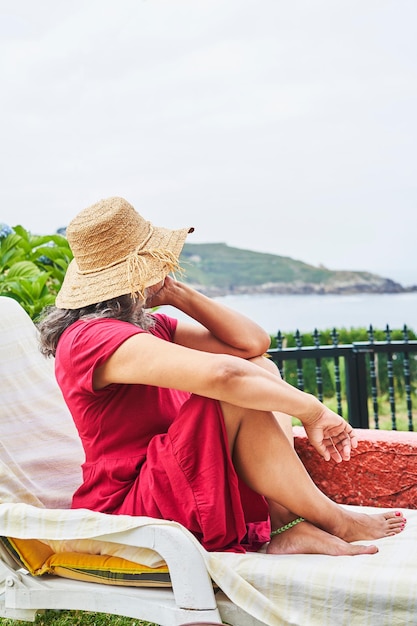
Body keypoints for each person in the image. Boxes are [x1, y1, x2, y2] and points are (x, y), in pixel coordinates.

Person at [38, 196, 406, 556]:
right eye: (157, 261)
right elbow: (225, 376)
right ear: (139, 270)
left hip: (171, 477)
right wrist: (314, 411)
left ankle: (287, 525)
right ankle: (333, 518)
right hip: (130, 504)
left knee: (261, 370)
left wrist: (175, 292)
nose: (167, 265)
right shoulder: (89, 339)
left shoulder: (147, 327)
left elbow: (252, 344)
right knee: (235, 391)